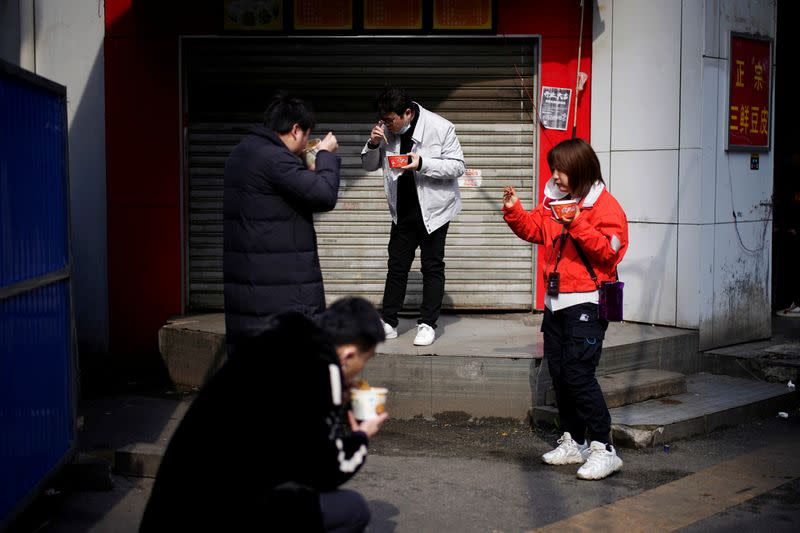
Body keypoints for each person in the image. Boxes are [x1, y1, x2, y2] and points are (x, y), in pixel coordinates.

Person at [139, 297, 388, 533]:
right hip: (215, 515)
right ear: (348, 355)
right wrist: (361, 437)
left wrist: (333, 404)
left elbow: (288, 444)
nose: (360, 371)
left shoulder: (276, 343)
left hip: (170, 508)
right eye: (366, 360)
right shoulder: (323, 367)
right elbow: (326, 470)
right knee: (352, 509)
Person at [501, 138, 629, 480]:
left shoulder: (606, 207)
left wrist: (576, 222)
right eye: (553, 169)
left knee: (578, 374)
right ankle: (573, 440)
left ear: (580, 170)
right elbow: (534, 230)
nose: (555, 176)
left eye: (561, 170)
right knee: (559, 374)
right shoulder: (554, 201)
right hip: (554, 304)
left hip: (587, 302)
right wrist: (514, 210)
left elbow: (610, 253)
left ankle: (604, 447)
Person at [223, 92, 340, 355]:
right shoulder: (275, 159)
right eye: (307, 136)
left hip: (253, 291)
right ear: (296, 129)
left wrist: (304, 171)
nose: (305, 144)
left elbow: (280, 197)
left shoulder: (243, 152)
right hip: (281, 295)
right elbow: (323, 195)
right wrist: (325, 156)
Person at [361, 86, 465, 346]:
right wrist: (373, 143)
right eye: (382, 120)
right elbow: (369, 164)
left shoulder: (441, 127)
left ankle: (428, 323)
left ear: (407, 113)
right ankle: (388, 321)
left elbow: (457, 167)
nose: (386, 125)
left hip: (434, 211)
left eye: (390, 120)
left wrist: (422, 163)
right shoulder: (385, 130)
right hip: (402, 210)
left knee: (432, 266)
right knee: (396, 266)